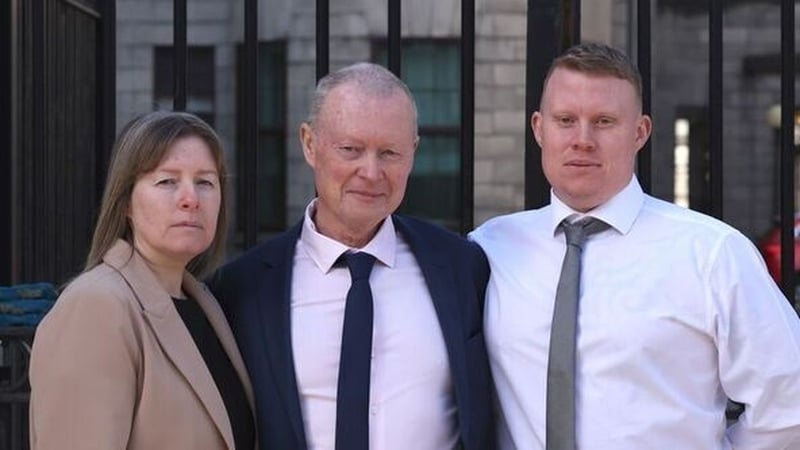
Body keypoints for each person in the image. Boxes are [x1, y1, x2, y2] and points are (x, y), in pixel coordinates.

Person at [470, 43, 800, 449]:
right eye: (565, 120)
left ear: (640, 132)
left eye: (604, 121)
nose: (582, 139)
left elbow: (789, 403)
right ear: (539, 128)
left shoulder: (712, 254)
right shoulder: (490, 249)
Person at [208, 62, 493, 449]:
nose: (371, 172)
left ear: (413, 153)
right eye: (351, 149)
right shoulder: (243, 289)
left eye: (390, 152)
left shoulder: (462, 267)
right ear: (309, 144)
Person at [29, 110, 256, 450]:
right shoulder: (97, 307)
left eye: (206, 182)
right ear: (126, 204)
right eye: (167, 181)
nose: (190, 198)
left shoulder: (205, 305)